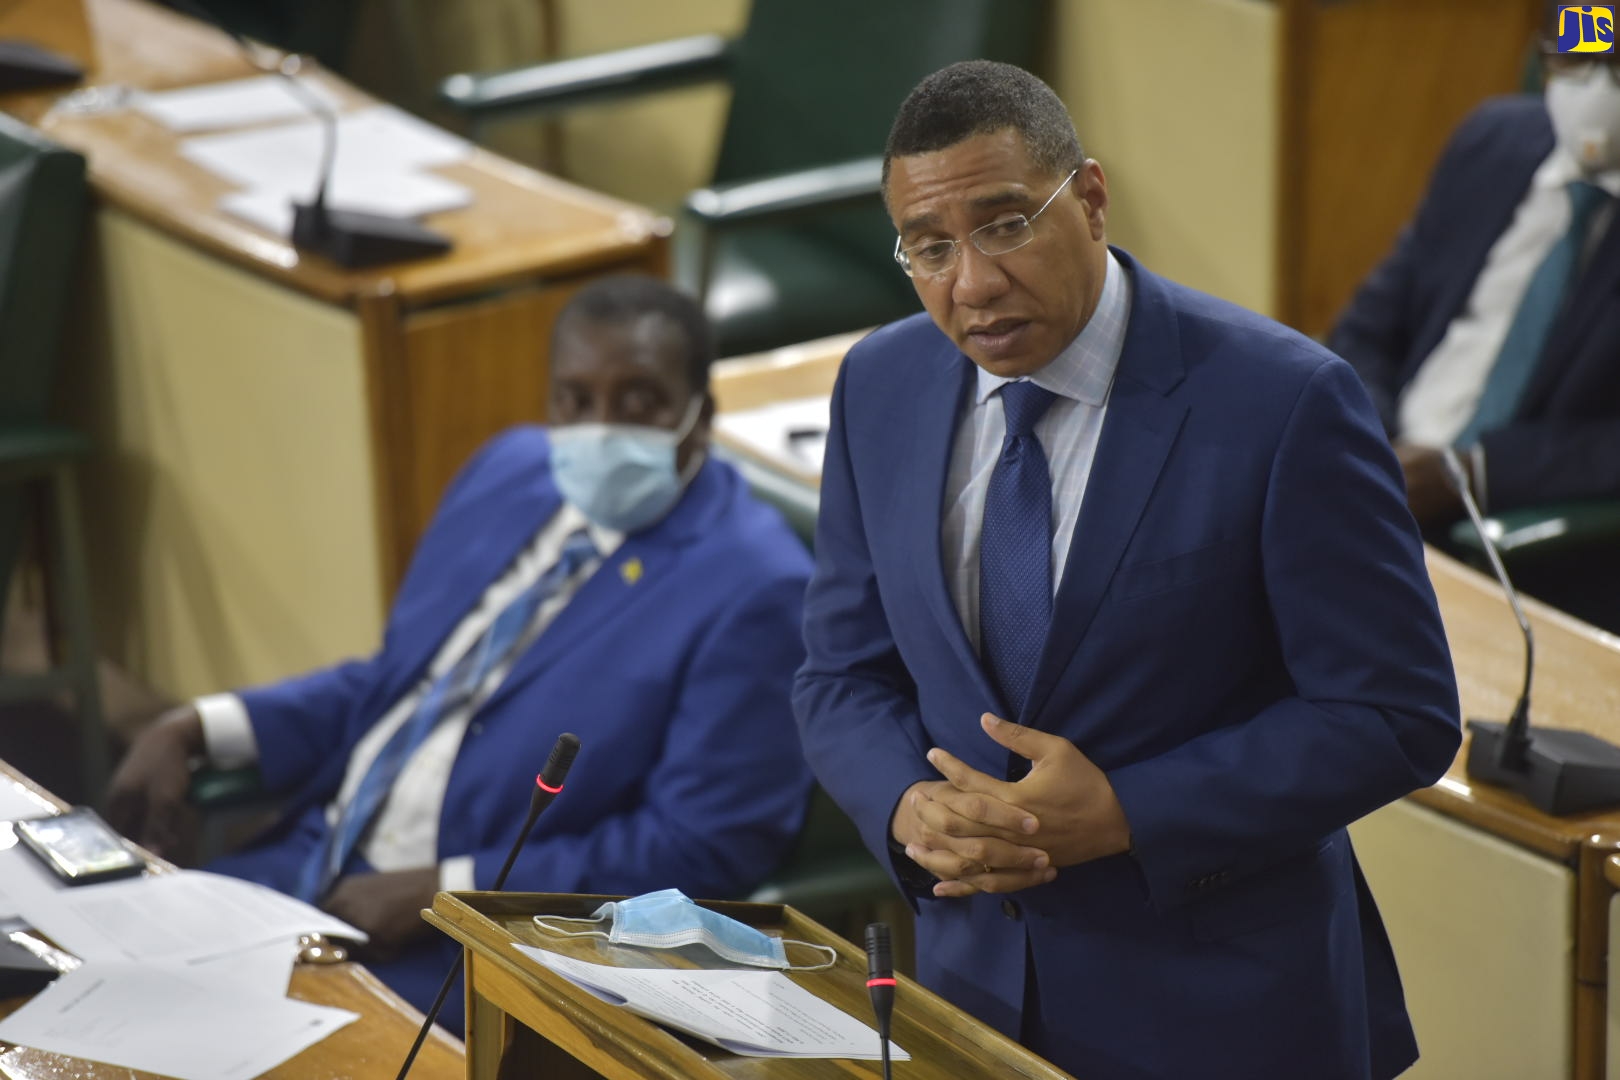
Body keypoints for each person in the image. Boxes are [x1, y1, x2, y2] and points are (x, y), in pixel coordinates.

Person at [793, 61, 1461, 1080]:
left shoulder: (1285, 404)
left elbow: (1394, 713)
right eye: (929, 249)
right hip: (974, 1001)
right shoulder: (879, 386)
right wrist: (904, 807)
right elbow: (840, 674)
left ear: (1091, 199)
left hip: (1226, 1014)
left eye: (1006, 225)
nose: (970, 283)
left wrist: (1126, 811)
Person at [106, 275, 815, 1035]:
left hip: (478, 945)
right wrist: (197, 727)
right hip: (309, 864)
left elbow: (700, 847)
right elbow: (398, 683)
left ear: (700, 417)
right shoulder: (509, 471)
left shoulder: (755, 588)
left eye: (638, 400)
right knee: (95, 981)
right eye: (575, 401)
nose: (600, 428)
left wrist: (448, 891)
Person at [1329, 28, 1620, 535]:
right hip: (1376, 464)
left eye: (1617, 67)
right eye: (1576, 62)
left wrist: (1475, 474)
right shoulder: (1491, 141)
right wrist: (1371, 442)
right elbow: (1368, 330)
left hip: (1499, 525)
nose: (1594, 88)